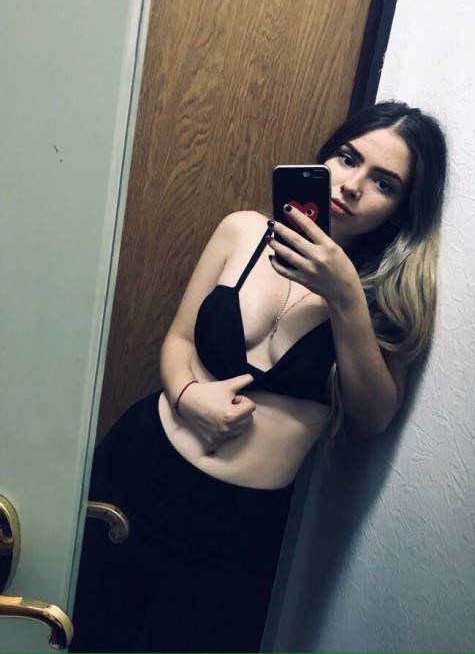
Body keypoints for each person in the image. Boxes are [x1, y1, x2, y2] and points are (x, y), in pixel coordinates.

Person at [70, 101, 447, 653]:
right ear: (325, 158)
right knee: (72, 630)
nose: (351, 186)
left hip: (236, 532)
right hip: (138, 472)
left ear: (400, 211)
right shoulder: (242, 230)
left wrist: (345, 295)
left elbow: (372, 418)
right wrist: (189, 396)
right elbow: (178, 340)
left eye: (383, 183)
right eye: (348, 158)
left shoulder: (385, 299)